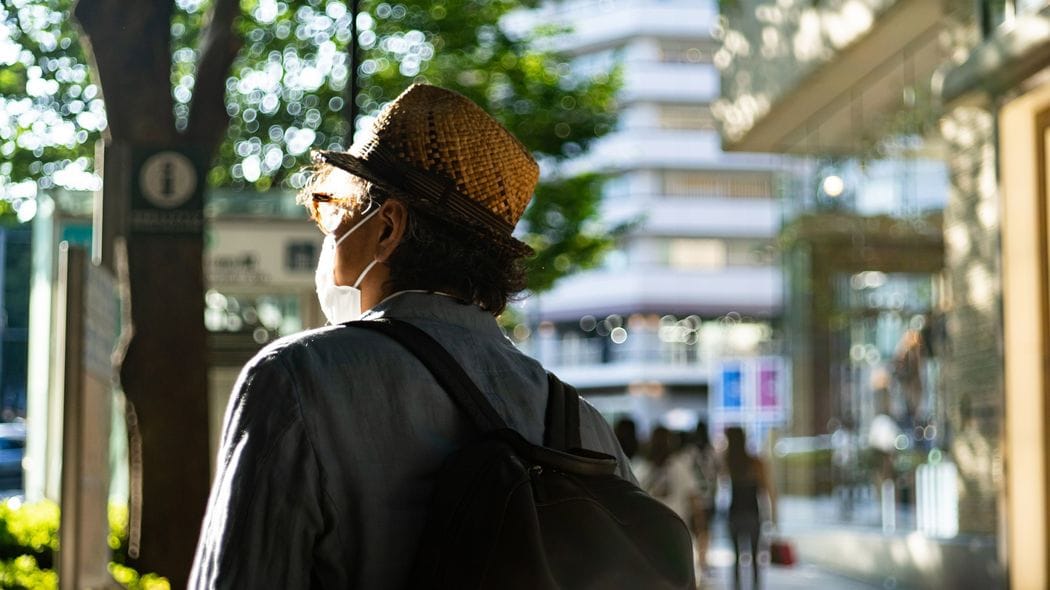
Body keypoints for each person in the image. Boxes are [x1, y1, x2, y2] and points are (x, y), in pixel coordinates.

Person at [189, 84, 636, 589]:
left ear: (387, 227)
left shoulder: (297, 380)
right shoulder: (581, 424)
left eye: (335, 211)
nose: (328, 233)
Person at [723, 426, 776, 590]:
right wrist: (774, 514)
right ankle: (755, 587)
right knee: (754, 557)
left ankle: (736, 587)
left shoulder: (728, 461)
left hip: (734, 513)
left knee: (736, 558)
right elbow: (768, 490)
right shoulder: (756, 462)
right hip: (753, 513)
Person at [634, 426, 702, 533]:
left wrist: (701, 529)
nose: (660, 446)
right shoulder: (642, 469)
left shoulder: (680, 467)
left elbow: (693, 499)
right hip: (652, 530)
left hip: (672, 529)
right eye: (658, 443)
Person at [686, 421, 719, 574]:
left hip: (693, 497)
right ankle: (703, 561)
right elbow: (716, 475)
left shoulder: (689, 452)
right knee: (705, 531)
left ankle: (698, 561)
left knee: (694, 530)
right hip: (708, 498)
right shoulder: (711, 452)